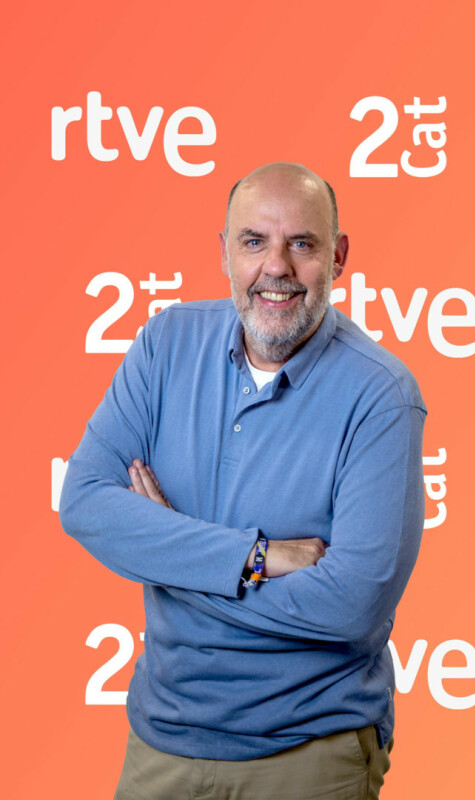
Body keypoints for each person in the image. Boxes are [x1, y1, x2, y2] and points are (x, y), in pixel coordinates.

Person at [60, 162, 427, 800]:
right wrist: (256, 557)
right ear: (225, 252)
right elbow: (84, 502)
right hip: (161, 742)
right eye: (254, 241)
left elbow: (351, 606)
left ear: (338, 257)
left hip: (309, 752)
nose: (276, 267)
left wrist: (168, 556)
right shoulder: (166, 343)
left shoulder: (381, 396)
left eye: (302, 244)